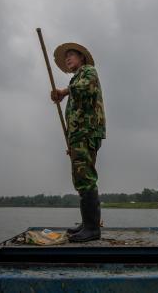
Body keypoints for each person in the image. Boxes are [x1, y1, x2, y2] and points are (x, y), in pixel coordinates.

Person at [50, 42, 105, 242]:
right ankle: (87, 224)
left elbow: (86, 88)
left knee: (85, 176)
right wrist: (72, 144)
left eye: (71, 55)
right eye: (66, 57)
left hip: (87, 132)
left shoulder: (88, 72)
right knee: (80, 178)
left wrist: (63, 92)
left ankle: (92, 229)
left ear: (81, 57)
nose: (67, 58)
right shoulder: (75, 79)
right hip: (78, 136)